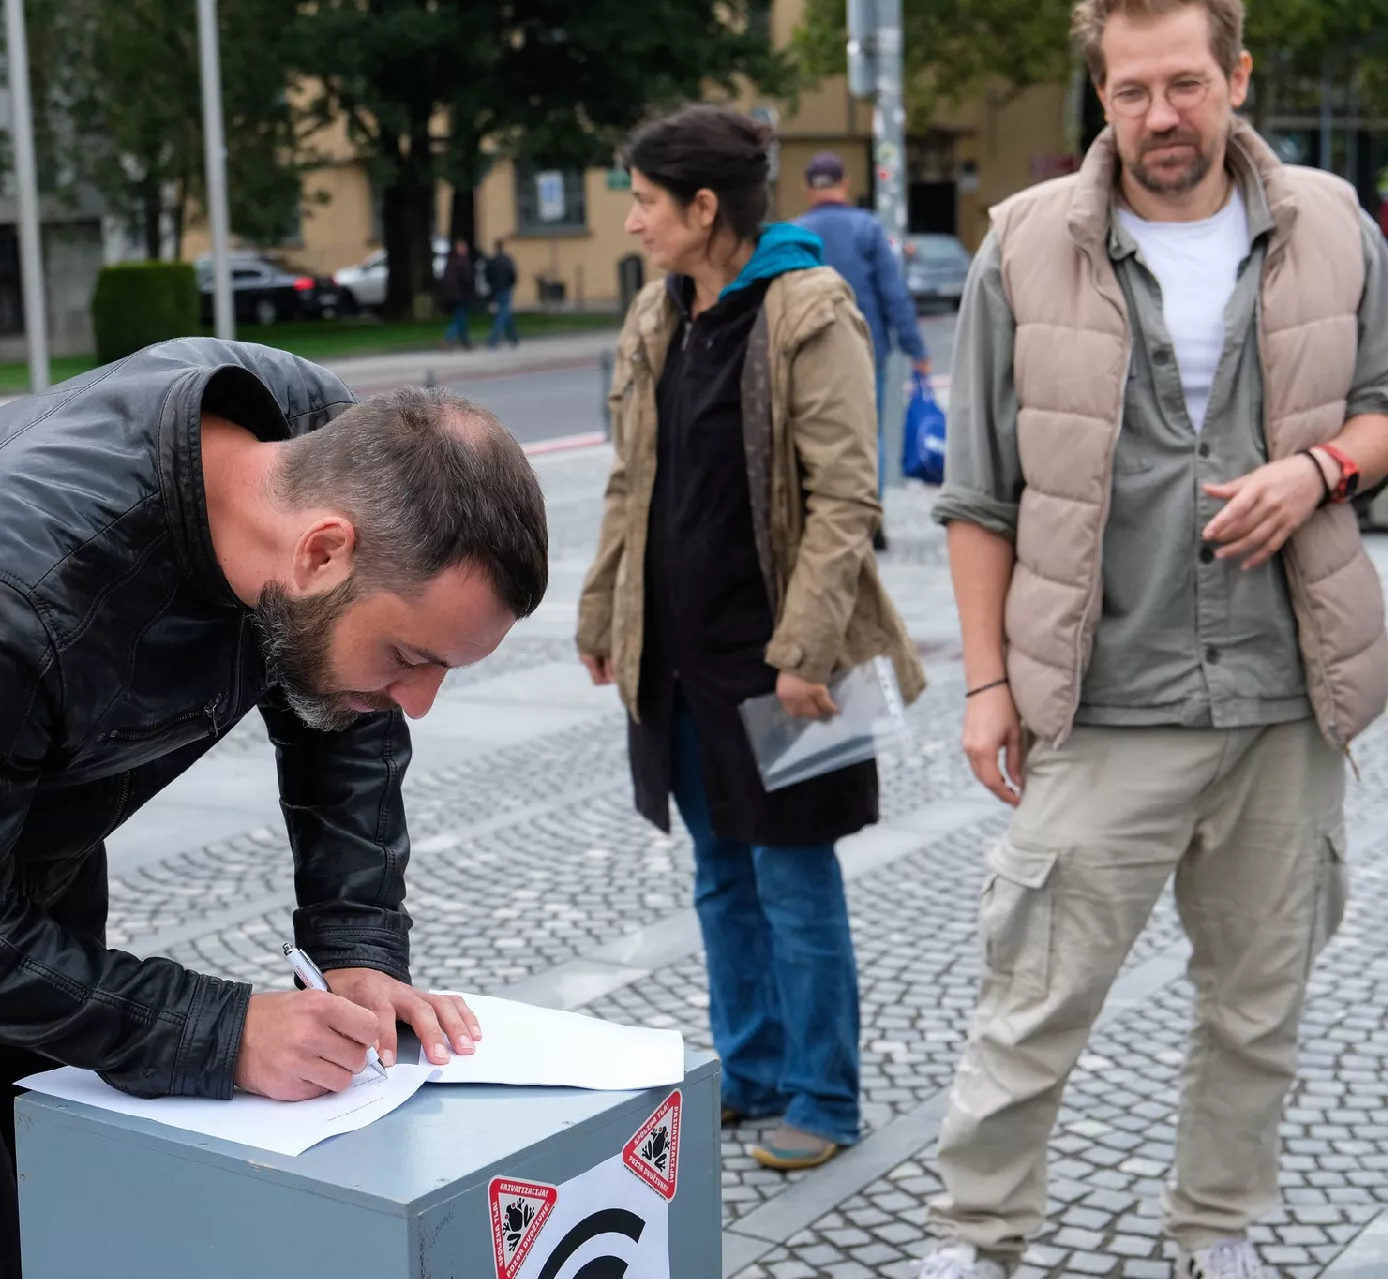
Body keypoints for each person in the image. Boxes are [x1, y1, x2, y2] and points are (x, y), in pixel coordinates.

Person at [0, 341, 550, 1276]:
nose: (420, 702)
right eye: (410, 657)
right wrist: (223, 1032)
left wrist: (355, 944)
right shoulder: (6, 591)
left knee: (74, 1206)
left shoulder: (328, 448)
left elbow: (345, 721)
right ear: (321, 550)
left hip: (32, 838)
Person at [921, 0, 1388, 1275]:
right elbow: (980, 491)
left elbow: (1382, 406)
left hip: (1285, 694)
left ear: (1238, 76)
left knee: (1257, 1011)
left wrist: (1321, 471)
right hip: (1104, 696)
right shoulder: (1024, 244)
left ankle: (1215, 1235)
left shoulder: (1334, 223)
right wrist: (986, 684)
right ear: (1101, 96)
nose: (1160, 116)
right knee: (1032, 1004)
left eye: (1185, 83)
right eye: (1131, 91)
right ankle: (977, 1240)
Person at [577, 105, 926, 1173]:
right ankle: (756, 1071)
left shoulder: (809, 308)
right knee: (721, 876)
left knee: (793, 879)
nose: (632, 221)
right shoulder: (658, 313)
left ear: (704, 207)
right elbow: (632, 481)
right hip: (679, 656)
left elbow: (845, 497)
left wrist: (806, 650)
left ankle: (822, 1094)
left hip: (778, 658)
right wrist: (603, 611)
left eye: (645, 201)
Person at [792, 151, 932, 548]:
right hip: (867, 349)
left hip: (810, 351)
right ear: (845, 183)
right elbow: (893, 293)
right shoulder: (868, 229)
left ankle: (823, 521)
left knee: (815, 436)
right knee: (869, 435)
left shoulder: (795, 234)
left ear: (807, 188)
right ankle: (871, 520)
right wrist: (916, 348)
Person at [439, 237, 478, 350]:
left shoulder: (451, 261)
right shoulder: (462, 262)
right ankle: (448, 339)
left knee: (461, 318)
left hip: (453, 295)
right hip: (461, 294)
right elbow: (466, 279)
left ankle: (465, 341)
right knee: (460, 319)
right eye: (463, 247)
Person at [486, 239, 521, 349]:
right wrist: (511, 284)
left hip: (496, 290)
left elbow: (488, 276)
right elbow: (513, 274)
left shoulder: (492, 261)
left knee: (505, 313)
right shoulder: (507, 260)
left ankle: (513, 338)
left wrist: (491, 287)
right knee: (503, 314)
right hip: (506, 289)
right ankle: (493, 340)